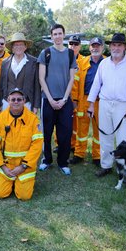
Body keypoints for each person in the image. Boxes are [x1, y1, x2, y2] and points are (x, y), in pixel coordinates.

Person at [87, 33, 126, 177]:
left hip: (124, 105)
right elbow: (96, 84)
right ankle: (106, 165)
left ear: (125, 47)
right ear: (110, 47)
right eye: (114, 45)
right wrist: (91, 104)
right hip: (104, 103)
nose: (116, 48)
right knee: (105, 137)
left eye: (119, 45)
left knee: (124, 139)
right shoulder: (104, 63)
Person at [38, 24, 77, 176]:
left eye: (60, 33)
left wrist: (65, 98)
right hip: (48, 100)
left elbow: (72, 78)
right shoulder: (45, 53)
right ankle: (46, 160)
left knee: (65, 134)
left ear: (64, 35)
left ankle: (63, 162)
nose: (58, 36)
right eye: (55, 34)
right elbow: (41, 78)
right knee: (46, 133)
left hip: (65, 101)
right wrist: (50, 99)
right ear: (51, 36)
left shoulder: (69, 54)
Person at [0, 88, 43, 200]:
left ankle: (20, 182)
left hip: (25, 166)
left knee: (24, 196)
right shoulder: (0, 118)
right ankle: (12, 181)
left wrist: (24, 166)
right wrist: (2, 166)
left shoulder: (33, 119)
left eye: (19, 99)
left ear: (24, 101)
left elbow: (37, 145)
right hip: (7, 165)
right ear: (8, 101)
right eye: (13, 99)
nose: (16, 102)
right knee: (0, 193)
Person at [70, 37, 104, 166]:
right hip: (84, 99)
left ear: (102, 48)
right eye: (93, 46)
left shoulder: (107, 62)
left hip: (100, 101)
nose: (95, 48)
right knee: (81, 130)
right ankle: (79, 154)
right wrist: (75, 100)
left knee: (99, 131)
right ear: (89, 47)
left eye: (98, 46)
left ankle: (97, 156)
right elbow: (75, 83)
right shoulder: (82, 62)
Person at [53, 35, 84, 154]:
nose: (73, 46)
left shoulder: (84, 61)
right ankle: (58, 143)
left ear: (80, 46)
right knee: (59, 122)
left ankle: (73, 144)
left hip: (77, 99)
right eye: (71, 43)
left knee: (75, 124)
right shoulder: (62, 58)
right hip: (62, 96)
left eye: (76, 44)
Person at [0, 32, 40, 112]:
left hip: (26, 103)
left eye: (21, 44)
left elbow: (37, 85)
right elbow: (2, 85)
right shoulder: (5, 62)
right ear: (12, 48)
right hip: (7, 102)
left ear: (25, 47)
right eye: (16, 45)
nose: (19, 47)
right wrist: (0, 103)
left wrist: (36, 106)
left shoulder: (33, 62)